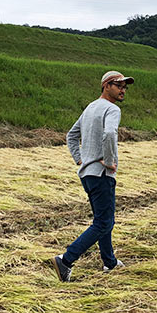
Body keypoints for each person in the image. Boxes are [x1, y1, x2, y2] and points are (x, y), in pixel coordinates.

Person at [51, 70, 134, 282]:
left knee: (103, 219)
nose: (123, 90)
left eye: (125, 86)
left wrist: (80, 160)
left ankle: (109, 261)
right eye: (119, 85)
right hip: (102, 173)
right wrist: (109, 160)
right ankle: (66, 259)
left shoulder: (90, 108)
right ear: (106, 86)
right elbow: (109, 134)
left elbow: (71, 136)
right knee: (104, 223)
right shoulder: (112, 109)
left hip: (87, 174)